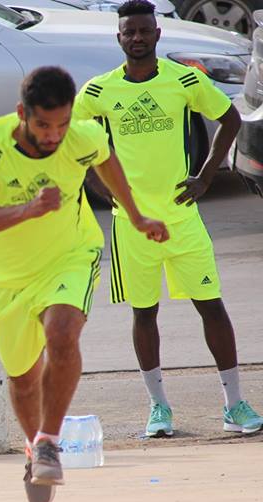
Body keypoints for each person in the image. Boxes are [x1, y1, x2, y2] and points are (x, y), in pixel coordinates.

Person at [0, 66, 168, 502]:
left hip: (71, 254)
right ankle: (35, 448)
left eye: (62, 123)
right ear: (22, 114)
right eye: (43, 125)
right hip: (6, 276)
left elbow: (106, 159)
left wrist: (135, 216)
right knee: (22, 379)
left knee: (62, 333)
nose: (54, 135)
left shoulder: (82, 135)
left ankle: (50, 441)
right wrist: (30, 210)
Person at [74, 0, 262, 437]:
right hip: (132, 224)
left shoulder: (185, 80)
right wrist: (103, 191)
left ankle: (234, 404)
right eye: (129, 32)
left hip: (182, 216)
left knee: (211, 305)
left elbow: (230, 118)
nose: (137, 38)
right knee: (144, 313)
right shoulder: (100, 91)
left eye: (144, 30)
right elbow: (73, 139)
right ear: (118, 38)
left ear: (157, 34)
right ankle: (159, 408)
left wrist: (206, 177)